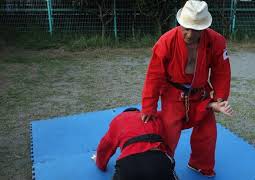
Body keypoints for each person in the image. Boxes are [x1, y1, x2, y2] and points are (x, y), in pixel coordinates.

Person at [141, 0, 234, 177]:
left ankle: (200, 164)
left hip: (200, 94)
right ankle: (163, 168)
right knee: (169, 132)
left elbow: (222, 71)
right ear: (180, 23)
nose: (190, 34)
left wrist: (220, 99)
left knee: (208, 133)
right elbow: (154, 76)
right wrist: (148, 106)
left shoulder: (216, 41)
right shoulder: (166, 42)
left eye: (195, 29)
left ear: (204, 28)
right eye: (186, 28)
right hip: (173, 94)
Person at [92, 107, 178, 180]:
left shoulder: (118, 119)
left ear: (124, 113)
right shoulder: (153, 116)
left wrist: (100, 163)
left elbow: (105, 145)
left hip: (128, 165)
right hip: (158, 161)